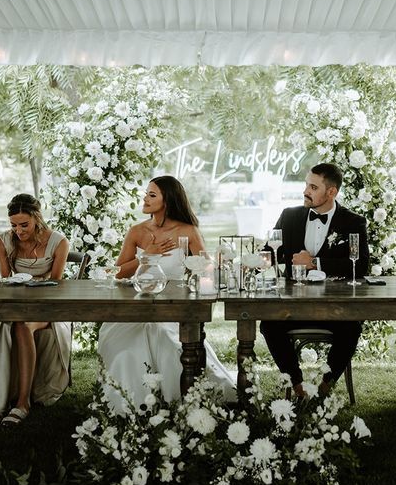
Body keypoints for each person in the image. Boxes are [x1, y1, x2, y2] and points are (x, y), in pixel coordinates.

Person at [98, 175, 236, 408]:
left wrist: (214, 266)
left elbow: (206, 267)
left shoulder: (188, 231)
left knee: (166, 338)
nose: (145, 198)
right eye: (146, 193)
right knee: (122, 349)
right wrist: (146, 255)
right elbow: (118, 272)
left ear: (168, 200)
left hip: (173, 307)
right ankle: (132, 403)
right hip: (136, 306)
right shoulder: (136, 232)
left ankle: (177, 399)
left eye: (152, 195)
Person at [260, 163, 369, 399]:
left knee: (352, 328)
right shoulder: (289, 217)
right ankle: (298, 386)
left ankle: (325, 386)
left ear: (331, 192)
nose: (305, 191)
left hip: (335, 306)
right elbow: (268, 253)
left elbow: (360, 266)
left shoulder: (353, 222)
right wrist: (248, 260)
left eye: (313, 186)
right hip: (294, 306)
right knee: (268, 324)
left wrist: (314, 263)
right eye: (306, 185)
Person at [0, 194, 69, 426]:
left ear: (36, 218)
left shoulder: (58, 242)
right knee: (5, 322)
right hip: (16, 304)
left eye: (24, 225)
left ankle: (23, 403)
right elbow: (5, 282)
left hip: (47, 308)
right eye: (13, 225)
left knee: (21, 325)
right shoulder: (3, 242)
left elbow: (57, 285)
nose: (18, 231)